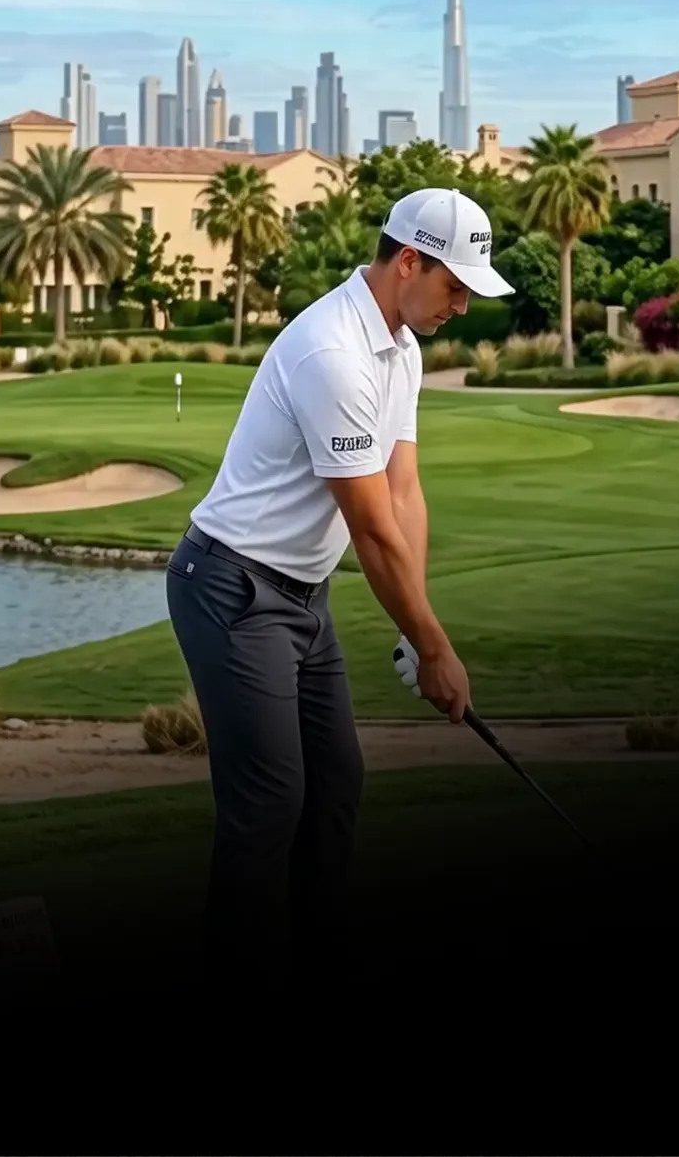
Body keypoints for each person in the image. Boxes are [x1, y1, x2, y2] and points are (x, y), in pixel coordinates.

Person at [164, 185, 515, 1000]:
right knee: (269, 800)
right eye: (455, 286)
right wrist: (434, 646)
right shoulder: (333, 353)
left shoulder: (402, 347)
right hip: (231, 588)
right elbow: (370, 528)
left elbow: (404, 494)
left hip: (299, 597)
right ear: (409, 262)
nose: (463, 306)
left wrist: (417, 623)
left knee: (335, 785)